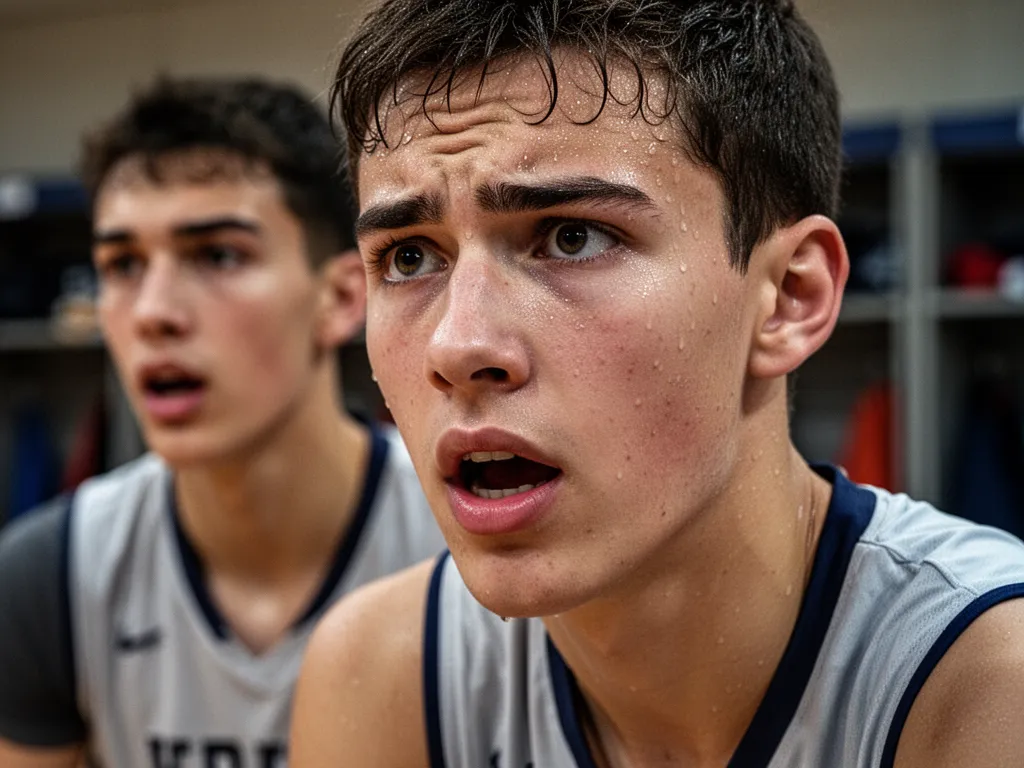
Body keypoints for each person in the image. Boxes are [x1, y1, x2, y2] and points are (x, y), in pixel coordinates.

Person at [289, 1, 1024, 767]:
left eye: (572, 237)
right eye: (409, 257)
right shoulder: (383, 675)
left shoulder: (992, 688)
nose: (458, 344)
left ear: (790, 297)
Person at [0, 76, 444, 767]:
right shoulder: (49, 576)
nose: (153, 311)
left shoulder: (465, 541)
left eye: (217, 255)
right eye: (122, 264)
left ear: (342, 297)